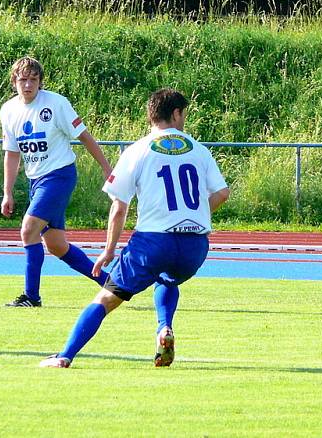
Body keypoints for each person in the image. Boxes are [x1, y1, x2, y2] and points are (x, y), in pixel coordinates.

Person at [40, 88, 230, 368]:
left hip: (153, 243)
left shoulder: (138, 150)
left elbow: (119, 207)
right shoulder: (198, 150)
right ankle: (164, 327)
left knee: (106, 297)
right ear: (176, 113)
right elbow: (222, 193)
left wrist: (107, 252)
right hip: (194, 246)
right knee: (167, 278)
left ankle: (64, 355)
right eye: (184, 114)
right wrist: (197, 215)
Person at [0, 57, 113, 307]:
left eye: (33, 79)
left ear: (40, 82)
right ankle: (112, 284)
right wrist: (7, 192)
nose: (28, 85)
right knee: (56, 245)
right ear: (14, 82)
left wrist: (107, 168)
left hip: (59, 176)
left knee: (28, 230)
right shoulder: (8, 110)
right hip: (36, 180)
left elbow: (84, 136)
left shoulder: (56, 103)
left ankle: (31, 297)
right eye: (23, 79)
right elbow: (12, 153)